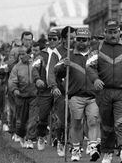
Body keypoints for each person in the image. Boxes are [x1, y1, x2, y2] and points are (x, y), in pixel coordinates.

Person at [86, 19, 122, 163]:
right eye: (110, 32)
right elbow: (89, 66)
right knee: (106, 124)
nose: (113, 35)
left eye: (115, 32)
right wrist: (95, 79)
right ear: (105, 33)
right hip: (104, 92)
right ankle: (107, 151)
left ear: (120, 32)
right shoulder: (97, 48)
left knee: (121, 122)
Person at [54, 28, 101, 162]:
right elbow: (56, 70)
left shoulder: (95, 55)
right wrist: (64, 65)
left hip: (93, 96)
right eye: (79, 39)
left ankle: (92, 147)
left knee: (93, 121)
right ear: (75, 40)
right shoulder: (69, 55)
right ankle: (75, 148)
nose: (81, 42)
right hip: (75, 96)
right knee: (76, 123)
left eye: (84, 40)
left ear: (89, 41)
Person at [47, 26, 77, 157]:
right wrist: (54, 86)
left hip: (76, 89)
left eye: (75, 38)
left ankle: (73, 144)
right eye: (72, 38)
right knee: (61, 120)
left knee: (75, 119)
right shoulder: (56, 52)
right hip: (61, 89)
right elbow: (51, 70)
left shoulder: (78, 50)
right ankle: (60, 140)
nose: (75, 40)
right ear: (64, 39)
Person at [8, 46, 39, 149]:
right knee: (21, 121)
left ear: (29, 54)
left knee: (33, 119)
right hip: (21, 96)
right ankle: (21, 135)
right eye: (20, 54)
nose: (22, 56)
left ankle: (29, 139)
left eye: (23, 53)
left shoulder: (35, 64)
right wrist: (15, 89)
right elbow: (12, 80)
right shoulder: (16, 67)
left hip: (34, 96)